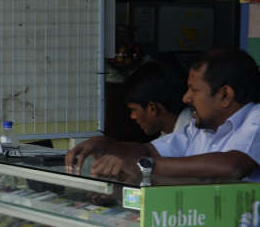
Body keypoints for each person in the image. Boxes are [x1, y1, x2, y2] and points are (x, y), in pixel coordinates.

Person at [67, 48, 260, 183]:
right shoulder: (201, 127)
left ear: (225, 95)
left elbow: (233, 166)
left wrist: (143, 167)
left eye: (194, 90)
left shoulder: (256, 119)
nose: (186, 98)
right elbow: (151, 152)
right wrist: (107, 145)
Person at [123, 60, 193, 137]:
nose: (132, 116)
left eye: (133, 109)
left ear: (152, 108)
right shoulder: (168, 136)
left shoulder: (195, 136)